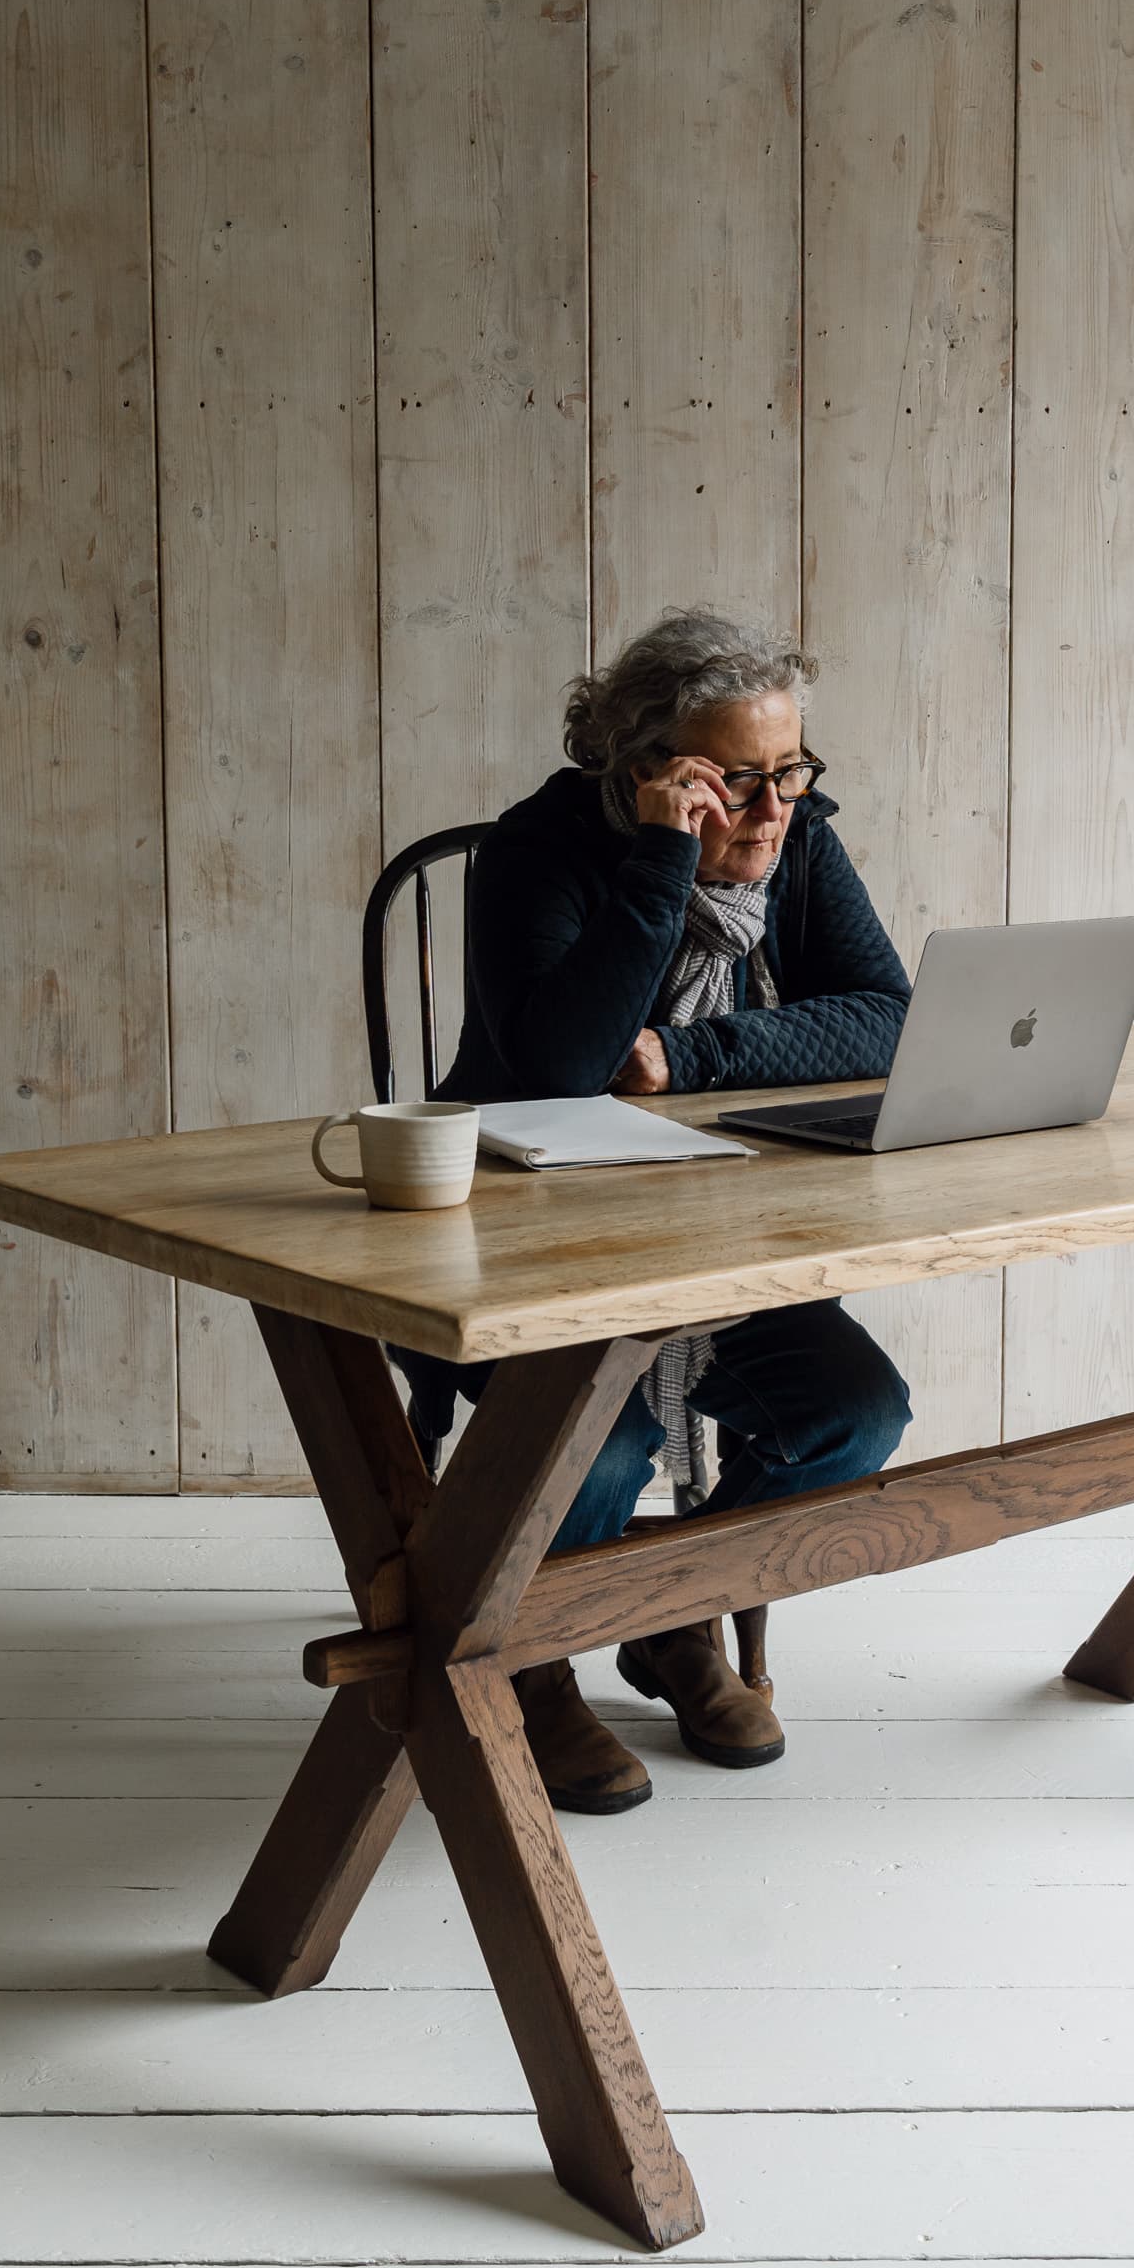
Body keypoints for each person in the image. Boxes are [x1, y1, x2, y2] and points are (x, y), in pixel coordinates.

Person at [401, 609, 914, 1818]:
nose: (772, 809)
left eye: (789, 771)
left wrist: (691, 1056)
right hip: (520, 1238)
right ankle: (528, 1661)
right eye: (735, 780)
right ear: (646, 770)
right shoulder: (535, 852)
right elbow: (559, 1067)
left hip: (723, 1232)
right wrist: (660, 862)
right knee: (599, 1441)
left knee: (851, 1414)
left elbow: (887, 1014)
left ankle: (670, 1616)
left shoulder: (798, 837)